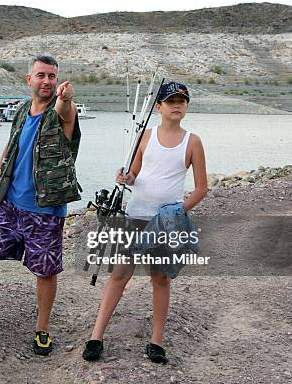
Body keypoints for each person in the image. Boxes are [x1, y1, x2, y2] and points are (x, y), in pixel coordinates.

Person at [82, 81, 208, 363]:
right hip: (135, 216)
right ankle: (96, 336)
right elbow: (135, 175)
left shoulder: (193, 142)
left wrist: (177, 212)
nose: (177, 105)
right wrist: (125, 178)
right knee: (118, 275)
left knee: (160, 278)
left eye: (182, 101)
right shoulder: (145, 137)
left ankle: (156, 341)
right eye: (171, 100)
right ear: (159, 107)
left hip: (166, 223)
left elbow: (201, 188)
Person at [0, 55, 81, 355]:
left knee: (45, 271)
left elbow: (64, 113)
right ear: (29, 79)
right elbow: (11, 147)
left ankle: (42, 329)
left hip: (46, 208)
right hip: (10, 203)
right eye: (41, 75)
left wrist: (67, 99)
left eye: (52, 76)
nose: (47, 81)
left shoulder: (61, 111)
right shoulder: (22, 109)